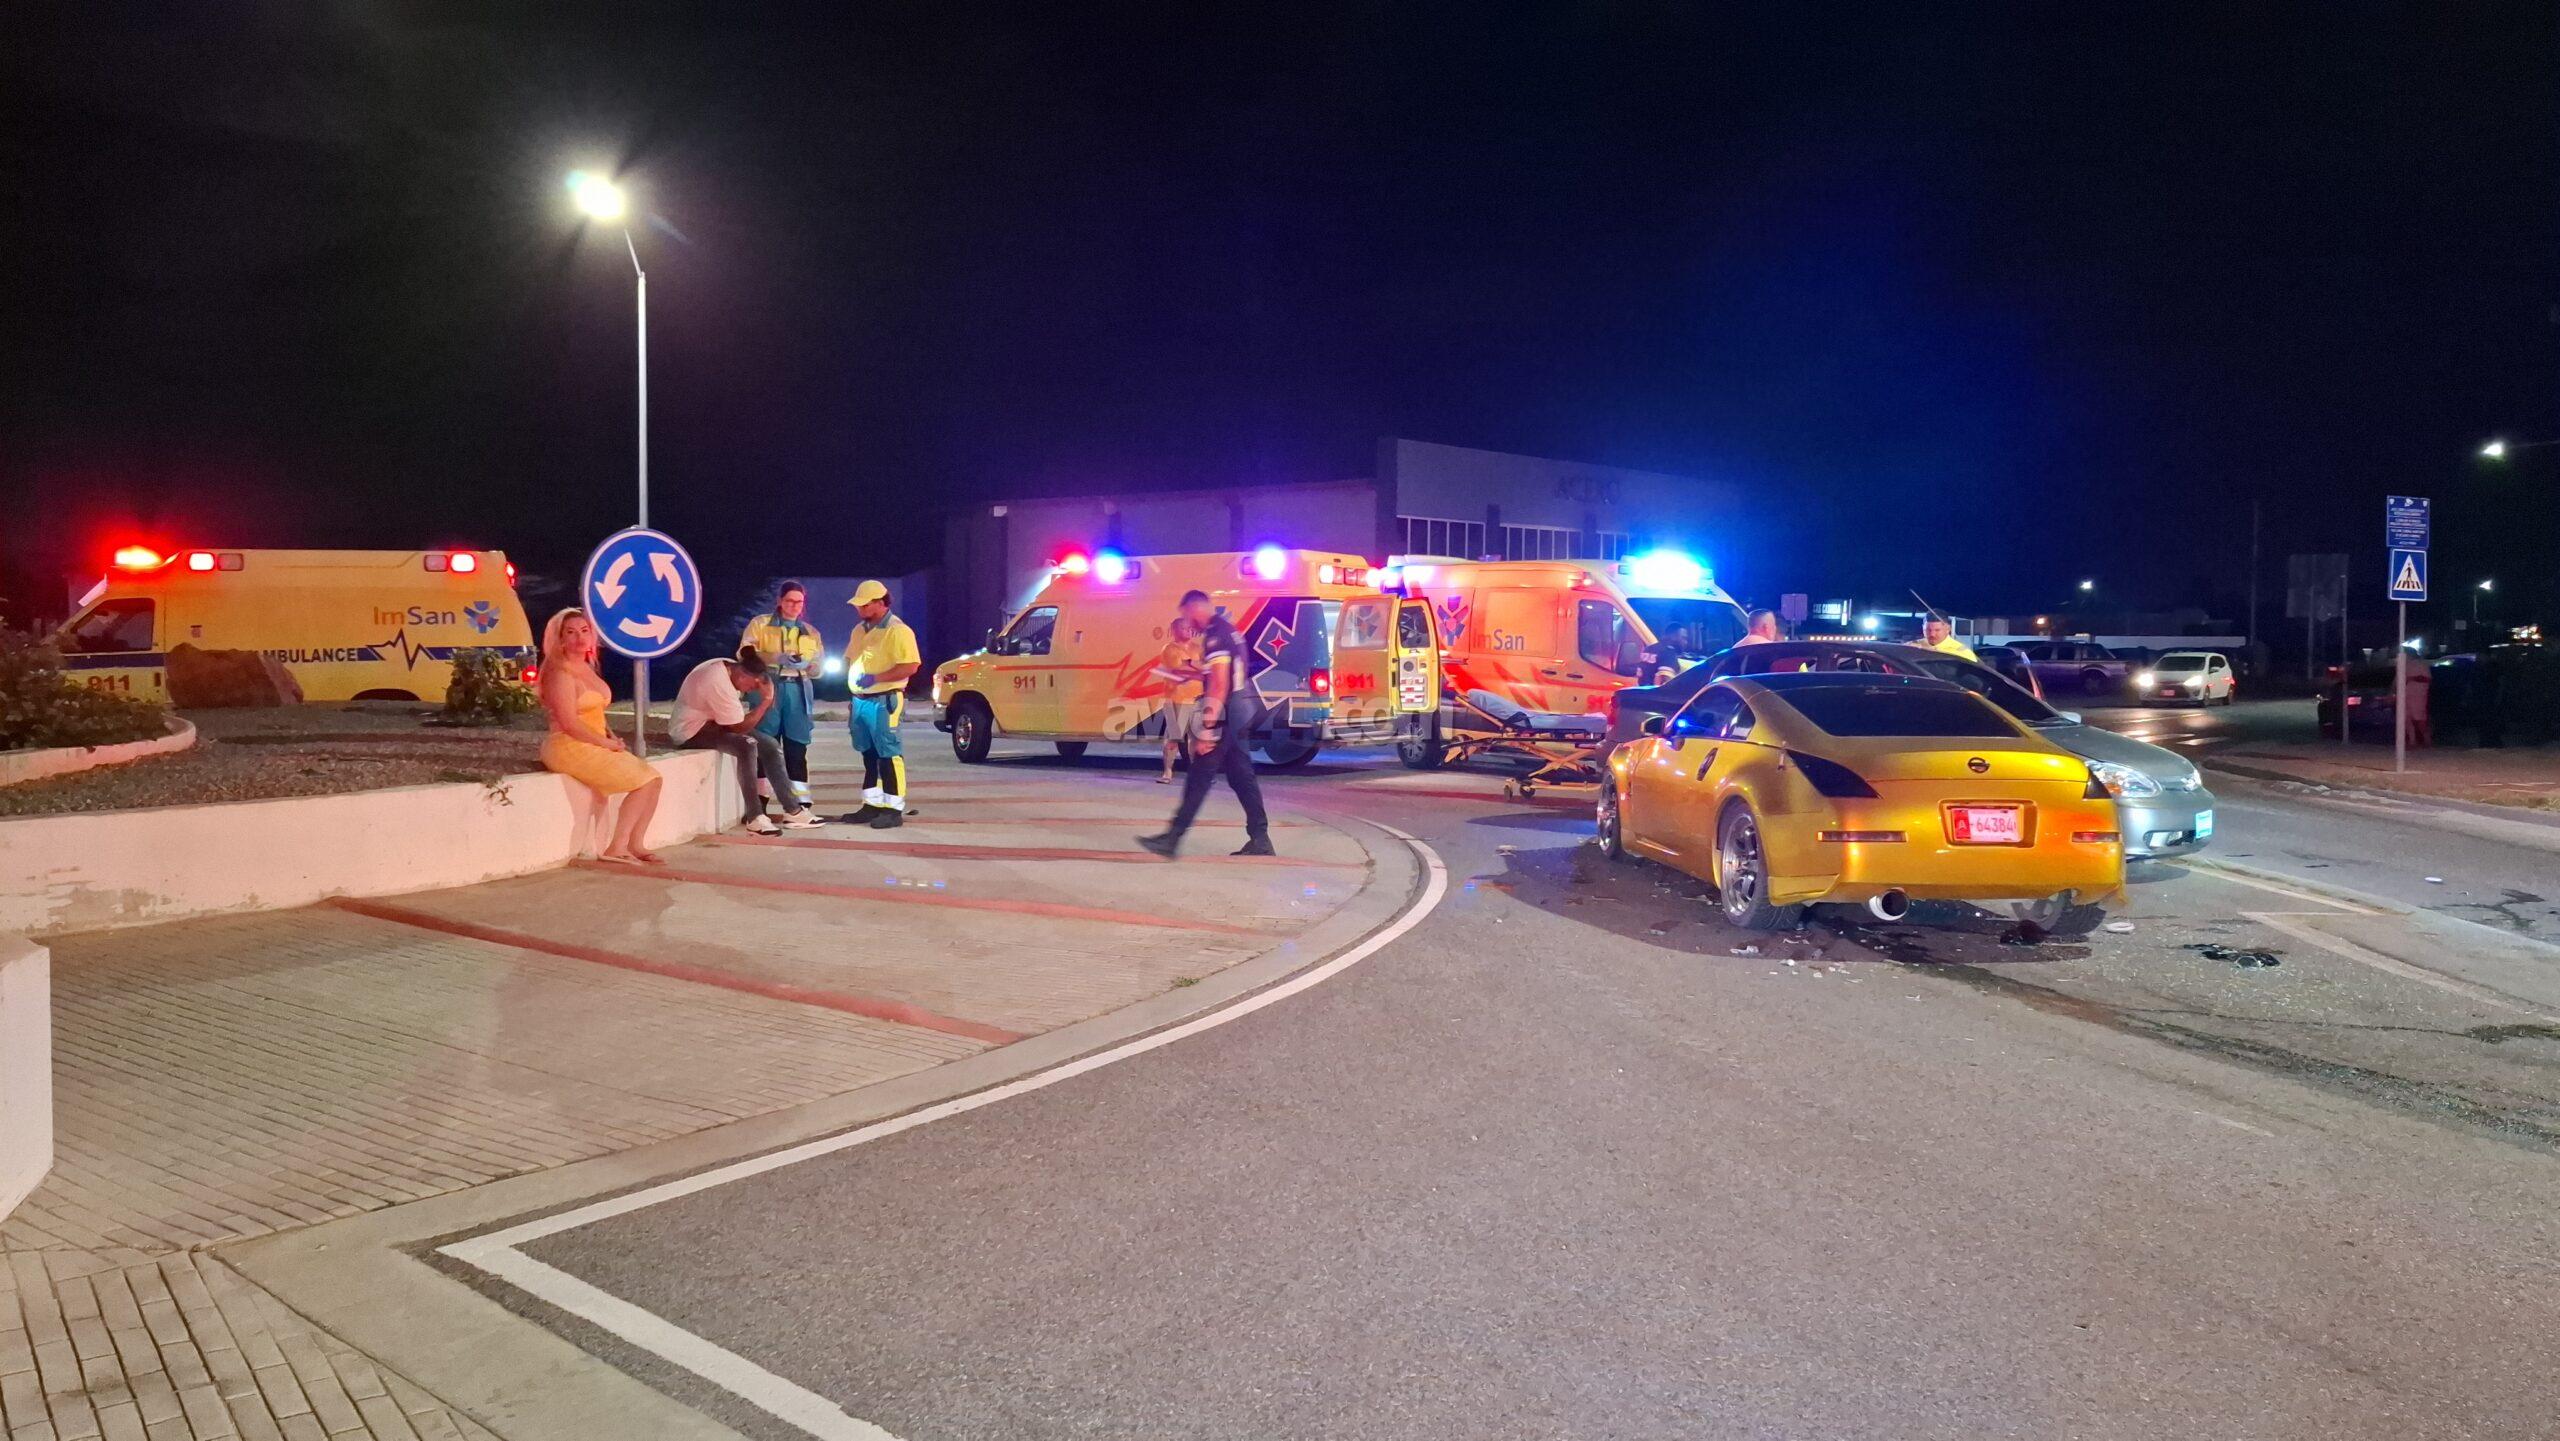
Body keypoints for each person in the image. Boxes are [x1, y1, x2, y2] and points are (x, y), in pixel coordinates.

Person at [1140, 590, 1273, 858]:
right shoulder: (1228, 630)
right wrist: (1200, 674)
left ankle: (1172, 839)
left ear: (1195, 608)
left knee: (1200, 774)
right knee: (1241, 775)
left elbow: (1220, 684)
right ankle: (1260, 838)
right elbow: (1219, 674)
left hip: (1226, 711)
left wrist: (1208, 729)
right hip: (1239, 707)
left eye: (1186, 615)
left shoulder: (1215, 635)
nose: (1187, 622)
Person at [535, 608, 664, 864]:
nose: (579, 638)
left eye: (584, 631)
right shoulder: (559, 673)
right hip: (569, 745)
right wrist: (604, 743)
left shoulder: (586, 667)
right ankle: (617, 846)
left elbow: (596, 714)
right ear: (560, 638)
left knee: (654, 779)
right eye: (571, 632)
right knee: (644, 781)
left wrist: (612, 738)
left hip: (593, 741)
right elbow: (569, 723)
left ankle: (636, 843)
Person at [672, 646, 823, 835]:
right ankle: (755, 817)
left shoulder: (729, 668)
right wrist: (766, 702)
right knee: (747, 745)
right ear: (743, 676)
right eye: (752, 687)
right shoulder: (718, 682)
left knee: (770, 745)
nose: (751, 691)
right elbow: (739, 727)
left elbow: (734, 723)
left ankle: (793, 811)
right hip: (691, 732)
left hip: (715, 725)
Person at [845, 580, 922, 829]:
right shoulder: (859, 630)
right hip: (861, 700)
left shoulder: (898, 631)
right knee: (869, 753)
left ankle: (893, 809)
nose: (860, 609)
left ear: (880, 603)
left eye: (865, 605)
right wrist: (854, 695)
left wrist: (875, 678)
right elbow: (851, 659)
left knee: (889, 753)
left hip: (885, 699)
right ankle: (872, 805)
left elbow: (910, 666)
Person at [742, 582, 822, 811]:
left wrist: (808, 665)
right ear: (780, 601)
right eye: (789, 601)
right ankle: (759, 804)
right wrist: (775, 657)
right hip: (768, 686)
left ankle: (801, 804)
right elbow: (745, 653)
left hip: (798, 688)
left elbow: (819, 668)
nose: (794, 606)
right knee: (764, 745)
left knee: (797, 747)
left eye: (799, 602)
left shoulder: (810, 632)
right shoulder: (760, 624)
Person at [1154, 615, 1206, 784]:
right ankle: (1167, 772)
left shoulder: (1197, 648)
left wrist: (1191, 664)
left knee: (1196, 738)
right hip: (1176, 699)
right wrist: (1195, 667)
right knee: (1174, 737)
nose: (1188, 631)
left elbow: (1206, 668)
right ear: (1175, 631)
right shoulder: (1170, 649)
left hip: (1197, 698)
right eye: (1183, 628)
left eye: (1190, 628)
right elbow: (1179, 670)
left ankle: (1197, 773)